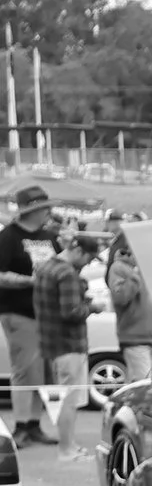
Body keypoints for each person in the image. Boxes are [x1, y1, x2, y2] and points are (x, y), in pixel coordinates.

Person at [0, 185, 56, 446]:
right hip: (19, 311)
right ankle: (21, 425)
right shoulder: (9, 237)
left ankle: (34, 424)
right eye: (45, 207)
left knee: (43, 371)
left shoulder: (50, 236)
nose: (49, 211)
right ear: (32, 210)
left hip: (47, 314)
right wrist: (29, 281)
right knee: (25, 369)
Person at [35, 229, 96, 459]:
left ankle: (69, 444)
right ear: (78, 251)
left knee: (62, 397)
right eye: (88, 258)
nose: (88, 264)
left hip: (50, 343)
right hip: (70, 344)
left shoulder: (45, 267)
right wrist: (91, 307)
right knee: (69, 400)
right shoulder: (67, 274)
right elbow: (71, 312)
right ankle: (66, 449)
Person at [106, 232, 152, 384]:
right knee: (143, 384)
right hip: (135, 338)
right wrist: (134, 275)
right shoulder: (118, 268)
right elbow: (121, 298)